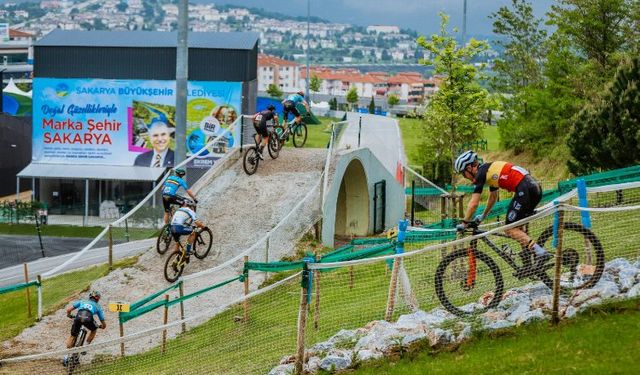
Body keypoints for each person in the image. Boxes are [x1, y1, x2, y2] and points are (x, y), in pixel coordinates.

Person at [454, 150, 551, 274]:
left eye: (463, 174)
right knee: (518, 228)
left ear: (469, 168)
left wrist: (464, 222)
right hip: (533, 188)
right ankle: (528, 265)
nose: (465, 178)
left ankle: (540, 252)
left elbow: (473, 204)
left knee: (509, 229)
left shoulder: (480, 174)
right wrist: (483, 216)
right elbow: (493, 197)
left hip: (525, 189)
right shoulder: (489, 170)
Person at [63, 291, 106, 366]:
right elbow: (102, 320)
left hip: (78, 317)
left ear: (89, 296)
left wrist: (69, 315)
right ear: (98, 299)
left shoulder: (82, 301)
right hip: (88, 318)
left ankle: (65, 357)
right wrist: (103, 326)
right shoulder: (98, 306)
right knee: (94, 330)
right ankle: (85, 347)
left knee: (72, 336)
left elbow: (68, 310)